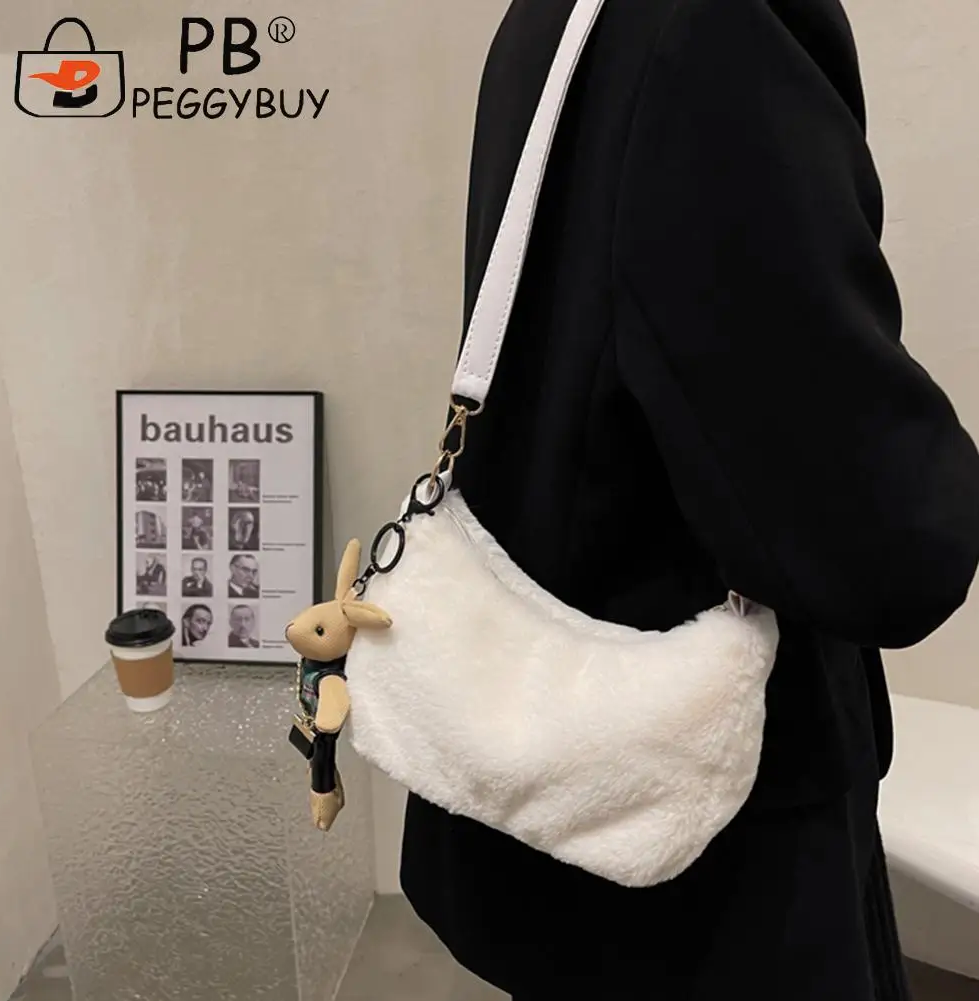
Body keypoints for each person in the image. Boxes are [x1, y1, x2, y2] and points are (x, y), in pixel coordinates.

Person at [399, 3, 979, 1000]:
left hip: (586, 804)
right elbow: (872, 538)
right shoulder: (714, 27)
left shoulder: (559, 15)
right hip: (715, 857)